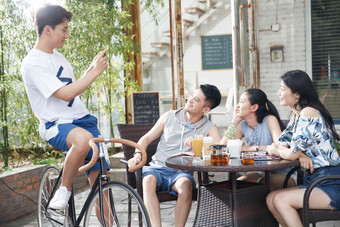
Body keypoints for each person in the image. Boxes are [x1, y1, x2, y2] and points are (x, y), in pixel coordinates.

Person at [21, 4, 109, 210]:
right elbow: (66, 94)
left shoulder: (59, 58)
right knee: (83, 140)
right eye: (64, 29)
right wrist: (94, 73)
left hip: (83, 120)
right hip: (57, 124)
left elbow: (72, 90)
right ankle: (64, 190)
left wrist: (90, 69)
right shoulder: (33, 62)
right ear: (48, 29)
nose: (67, 35)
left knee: (103, 188)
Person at [128, 84, 222, 227]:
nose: (190, 100)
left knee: (186, 185)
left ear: (206, 109)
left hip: (181, 173)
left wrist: (201, 140)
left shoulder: (208, 126)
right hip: (157, 168)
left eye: (196, 99)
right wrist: (137, 155)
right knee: (147, 181)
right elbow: (145, 139)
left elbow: (219, 147)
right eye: (191, 95)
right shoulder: (169, 116)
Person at [266, 70, 340, 227]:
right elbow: (282, 143)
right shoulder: (296, 117)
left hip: (330, 182)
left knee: (280, 200)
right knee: (270, 199)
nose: (279, 93)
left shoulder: (309, 113)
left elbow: (288, 152)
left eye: (282, 89)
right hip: (314, 180)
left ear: (297, 94)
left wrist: (286, 152)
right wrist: (299, 155)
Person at [220, 88, 294, 190]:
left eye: (242, 102)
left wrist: (250, 148)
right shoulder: (242, 125)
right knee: (235, 186)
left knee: (262, 185)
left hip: (284, 172)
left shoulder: (270, 119)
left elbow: (280, 147)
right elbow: (223, 147)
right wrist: (234, 121)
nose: (237, 105)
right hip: (261, 173)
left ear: (254, 107)